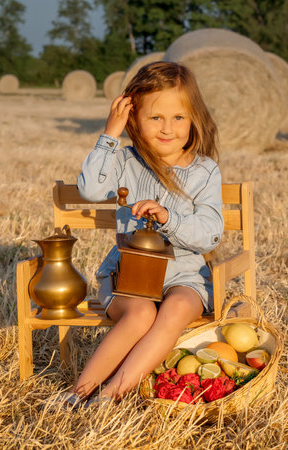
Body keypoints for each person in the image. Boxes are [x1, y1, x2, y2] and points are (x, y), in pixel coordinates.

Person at [65, 61, 223, 407]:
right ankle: (77, 393)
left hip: (184, 275)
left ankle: (110, 394)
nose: (168, 128)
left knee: (178, 305)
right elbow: (91, 189)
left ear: (194, 117)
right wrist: (110, 134)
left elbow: (210, 235)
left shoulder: (204, 172)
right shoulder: (124, 161)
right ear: (134, 118)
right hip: (128, 276)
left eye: (179, 117)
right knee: (141, 314)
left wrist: (169, 218)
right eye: (155, 118)